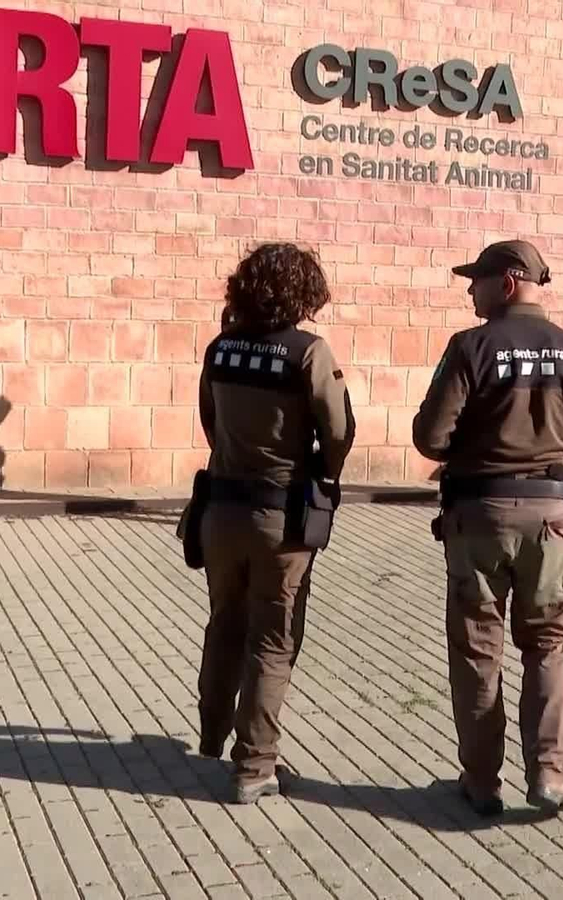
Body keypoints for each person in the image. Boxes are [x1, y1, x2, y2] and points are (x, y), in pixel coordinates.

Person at [413, 239, 563, 817]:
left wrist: (467, 446)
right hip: (552, 521)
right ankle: (550, 775)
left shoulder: (471, 347)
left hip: (478, 518)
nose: (470, 290)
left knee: (479, 650)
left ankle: (481, 782)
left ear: (508, 281)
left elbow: (430, 436)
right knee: (547, 646)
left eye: (476, 280)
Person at [196, 242, 355, 804]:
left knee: (224, 623)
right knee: (272, 638)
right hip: (280, 516)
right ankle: (255, 764)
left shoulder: (220, 349)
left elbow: (209, 423)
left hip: (221, 509)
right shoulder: (306, 352)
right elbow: (337, 430)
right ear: (302, 292)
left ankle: (212, 733)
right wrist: (322, 473)